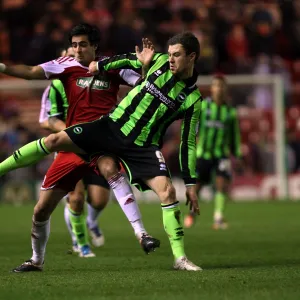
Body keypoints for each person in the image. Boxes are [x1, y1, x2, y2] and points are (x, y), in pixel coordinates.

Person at [0, 31, 202, 271]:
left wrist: (190, 184)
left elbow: (187, 142)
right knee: (54, 141)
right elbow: (127, 59)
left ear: (192, 57)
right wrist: (101, 64)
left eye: (176, 55)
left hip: (143, 146)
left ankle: (179, 258)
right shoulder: (156, 61)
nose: (170, 59)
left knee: (168, 192)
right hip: (111, 127)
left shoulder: (193, 100)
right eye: (169, 54)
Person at [39, 46, 107, 254]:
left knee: (99, 199)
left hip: (96, 147)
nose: (73, 57)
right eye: (68, 55)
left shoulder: (95, 81)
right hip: (70, 146)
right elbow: (44, 120)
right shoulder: (55, 87)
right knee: (76, 198)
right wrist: (72, 131)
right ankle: (82, 244)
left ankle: (91, 222)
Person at [184, 75, 242, 230]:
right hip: (203, 154)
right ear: (212, 88)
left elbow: (234, 135)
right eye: (216, 85)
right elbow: (192, 127)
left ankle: (218, 218)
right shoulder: (203, 107)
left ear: (225, 89)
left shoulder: (230, 112)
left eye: (222, 86)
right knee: (198, 187)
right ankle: (191, 214)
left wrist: (237, 154)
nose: (219, 89)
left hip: (221, 154)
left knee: (222, 185)